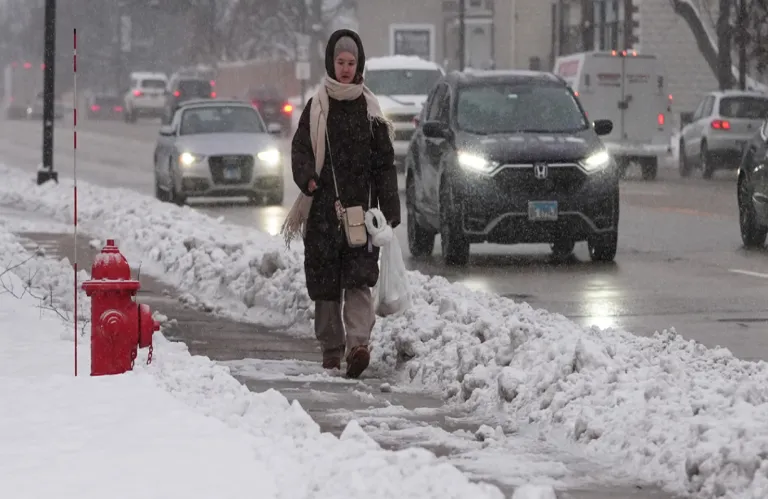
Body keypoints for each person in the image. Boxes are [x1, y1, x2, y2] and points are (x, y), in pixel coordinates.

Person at [280, 29, 400, 378]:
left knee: (360, 280)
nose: (346, 68)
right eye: (340, 62)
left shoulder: (370, 109)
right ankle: (332, 350)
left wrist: (390, 210)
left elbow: (384, 163)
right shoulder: (318, 106)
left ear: (359, 63)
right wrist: (308, 179)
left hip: (361, 212)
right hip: (322, 212)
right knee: (326, 284)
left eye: (351, 62)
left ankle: (358, 346)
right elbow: (301, 148)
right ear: (331, 63)